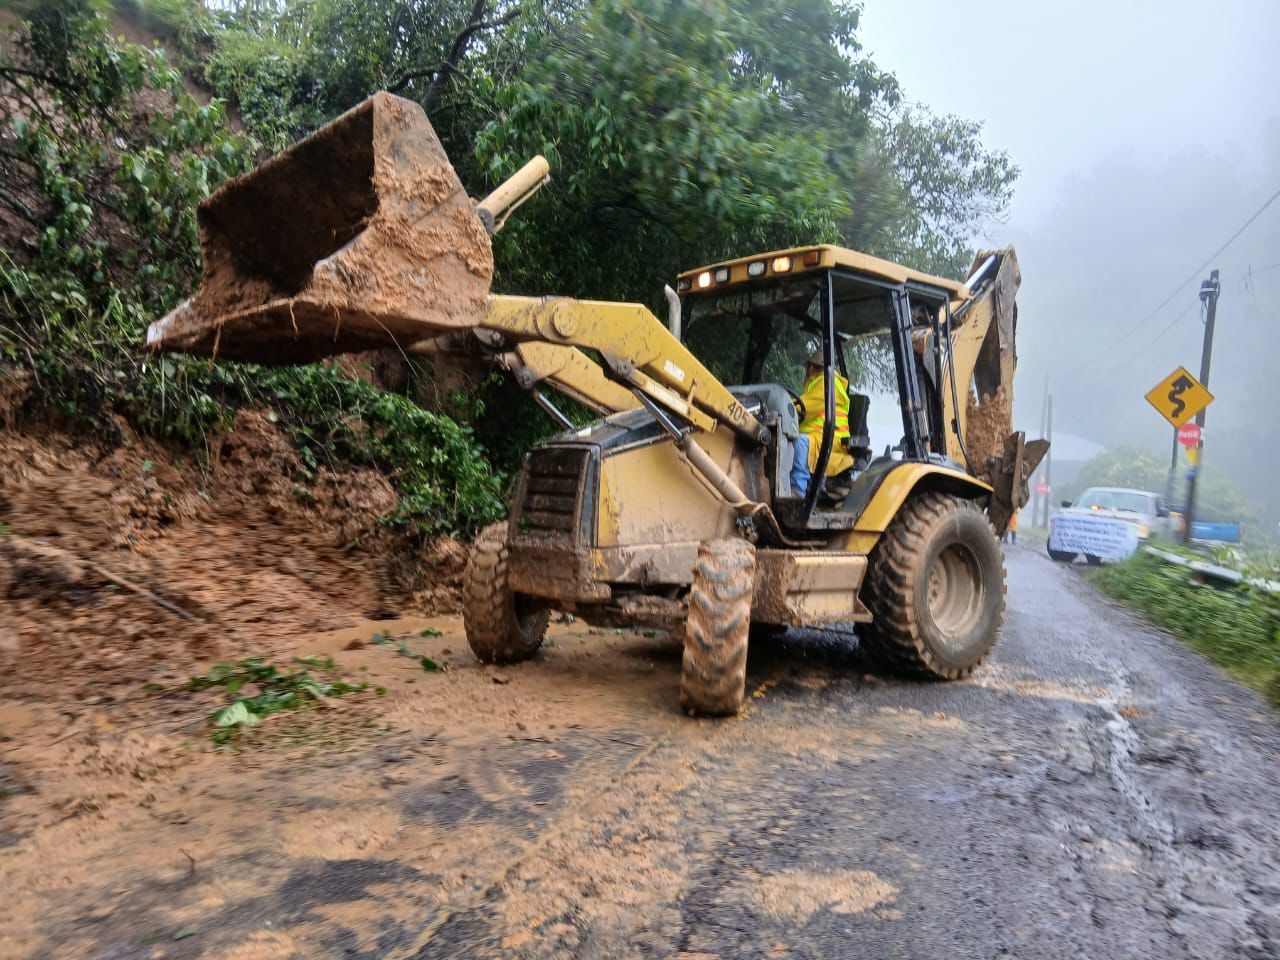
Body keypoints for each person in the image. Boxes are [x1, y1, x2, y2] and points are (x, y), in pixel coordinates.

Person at [790, 351, 855, 498]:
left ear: (812, 367)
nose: (807, 372)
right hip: (820, 436)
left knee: (800, 443)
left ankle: (797, 491)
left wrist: (782, 405)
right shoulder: (817, 384)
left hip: (833, 440)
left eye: (808, 367)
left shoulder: (827, 383)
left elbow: (803, 406)